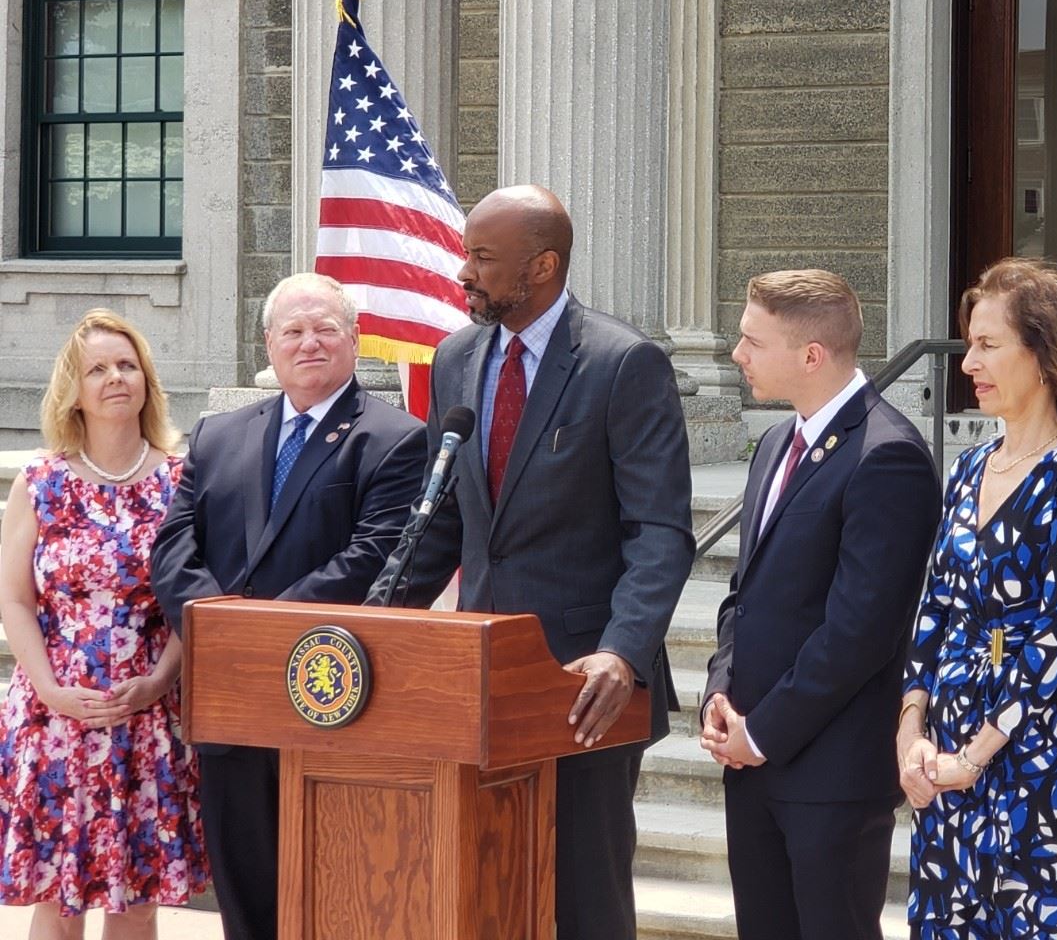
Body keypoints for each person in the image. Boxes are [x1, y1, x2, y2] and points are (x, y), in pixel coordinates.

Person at [366, 184, 694, 940]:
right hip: (477, 683)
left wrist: (622, 652)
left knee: (582, 900)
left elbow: (659, 532)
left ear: (541, 266)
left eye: (481, 257)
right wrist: (375, 626)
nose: (463, 272)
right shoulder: (454, 357)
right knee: (483, 887)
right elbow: (443, 520)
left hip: (583, 689)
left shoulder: (622, 363)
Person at [150, 273, 428, 940]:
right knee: (242, 884)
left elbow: (372, 559)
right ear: (269, 344)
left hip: (327, 696)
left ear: (355, 342)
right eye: (293, 331)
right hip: (230, 695)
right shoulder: (219, 433)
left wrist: (257, 632)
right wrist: (220, 625)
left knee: (330, 885)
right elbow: (172, 546)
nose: (310, 343)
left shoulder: (395, 438)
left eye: (326, 328)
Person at [700, 270, 941, 940]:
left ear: (811, 355)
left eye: (752, 341)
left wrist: (762, 732)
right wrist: (722, 694)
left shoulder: (888, 456)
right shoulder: (777, 443)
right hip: (753, 765)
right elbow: (744, 596)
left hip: (830, 777)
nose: (737, 355)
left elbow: (859, 632)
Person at [898, 258, 1057, 939]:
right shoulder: (971, 468)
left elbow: (1051, 635)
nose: (969, 361)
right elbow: (936, 609)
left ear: (1044, 351)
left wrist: (974, 756)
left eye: (988, 344)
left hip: (1031, 758)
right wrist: (911, 730)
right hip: (944, 758)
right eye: (970, 343)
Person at [0, 310, 206, 938]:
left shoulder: (182, 479)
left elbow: (193, 602)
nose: (115, 377)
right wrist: (50, 690)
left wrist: (157, 681)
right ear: (75, 390)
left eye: (127, 364)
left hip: (148, 719)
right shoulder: (42, 481)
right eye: (98, 369)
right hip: (57, 717)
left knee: (136, 902)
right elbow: (13, 600)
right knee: (60, 901)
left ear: (146, 378)